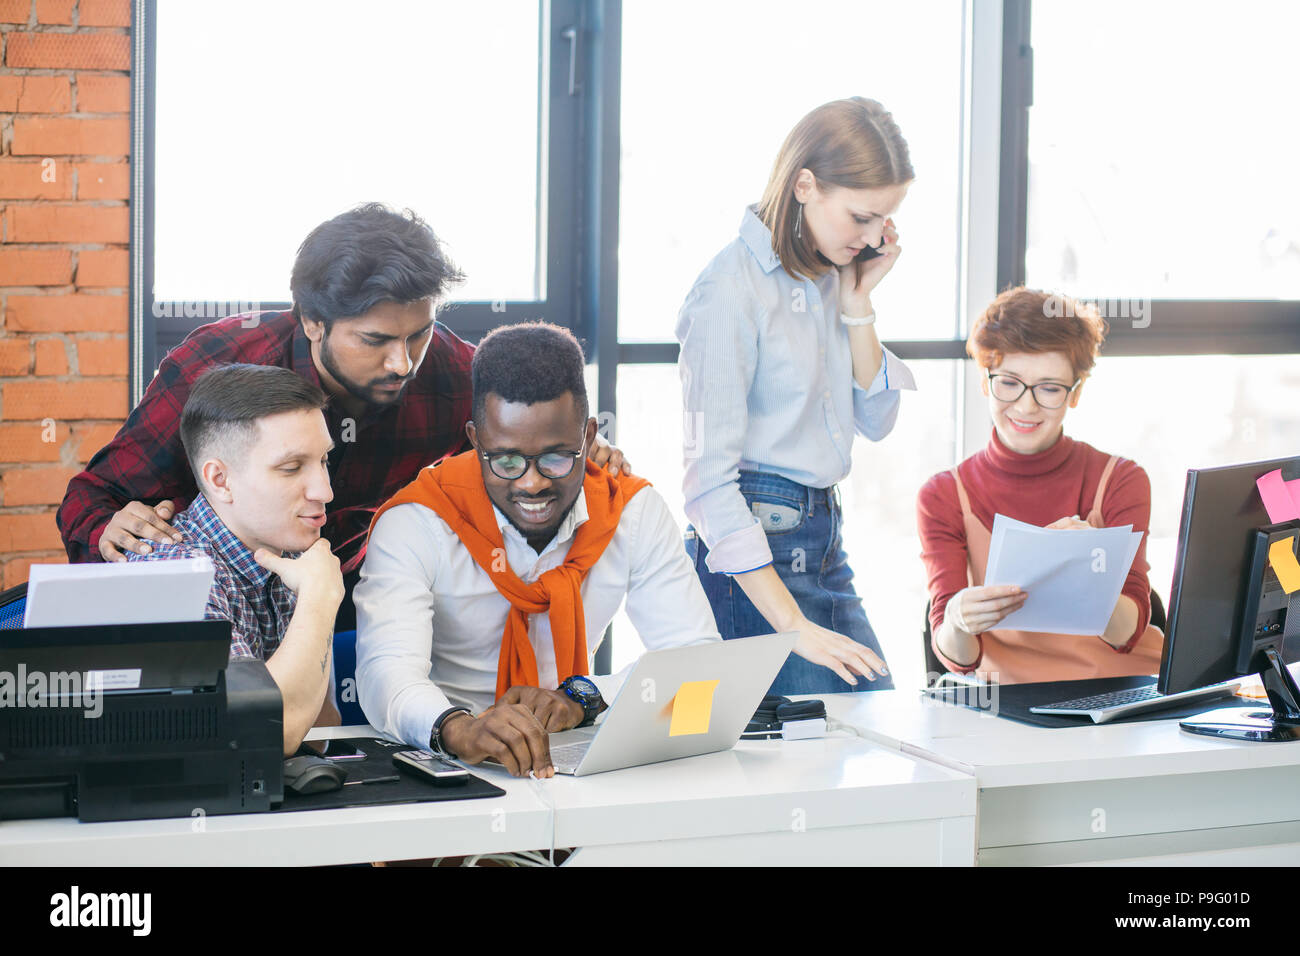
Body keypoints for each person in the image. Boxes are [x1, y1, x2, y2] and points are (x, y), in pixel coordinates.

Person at [56, 203, 627, 627]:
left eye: (419, 334)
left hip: (369, 609)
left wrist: (579, 455)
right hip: (223, 609)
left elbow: (533, 447)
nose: (403, 362)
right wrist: (107, 528)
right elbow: (90, 498)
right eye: (375, 340)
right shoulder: (220, 364)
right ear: (312, 322)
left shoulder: (458, 373)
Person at [355, 322, 720, 777]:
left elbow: (699, 660)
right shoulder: (416, 522)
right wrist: (457, 727)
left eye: (556, 457)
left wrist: (585, 697)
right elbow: (383, 673)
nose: (532, 483)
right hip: (453, 765)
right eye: (506, 459)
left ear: (589, 438)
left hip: (576, 759)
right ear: (474, 440)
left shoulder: (631, 511)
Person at [676, 97, 916, 695]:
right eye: (861, 217)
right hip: (759, 549)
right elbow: (707, 485)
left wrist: (859, 304)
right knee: (810, 756)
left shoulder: (831, 274)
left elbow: (877, 419)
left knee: (870, 719)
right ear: (805, 184)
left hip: (822, 534)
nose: (872, 237)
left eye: (884, 221)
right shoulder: (730, 290)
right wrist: (792, 624)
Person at [916, 287, 1165, 684]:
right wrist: (959, 621)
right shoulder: (943, 495)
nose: (1027, 406)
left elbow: (1126, 634)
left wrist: (1085, 564)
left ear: (1076, 392)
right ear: (985, 382)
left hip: (1126, 690)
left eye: (1049, 388)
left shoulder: (1120, 479)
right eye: (1009, 383)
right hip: (1014, 707)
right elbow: (957, 658)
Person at [128, 364, 343, 756]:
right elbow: (261, 735)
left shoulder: (292, 554)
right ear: (220, 480)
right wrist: (320, 598)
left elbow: (324, 727)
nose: (324, 491)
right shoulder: (177, 573)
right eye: (292, 468)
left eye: (324, 460)